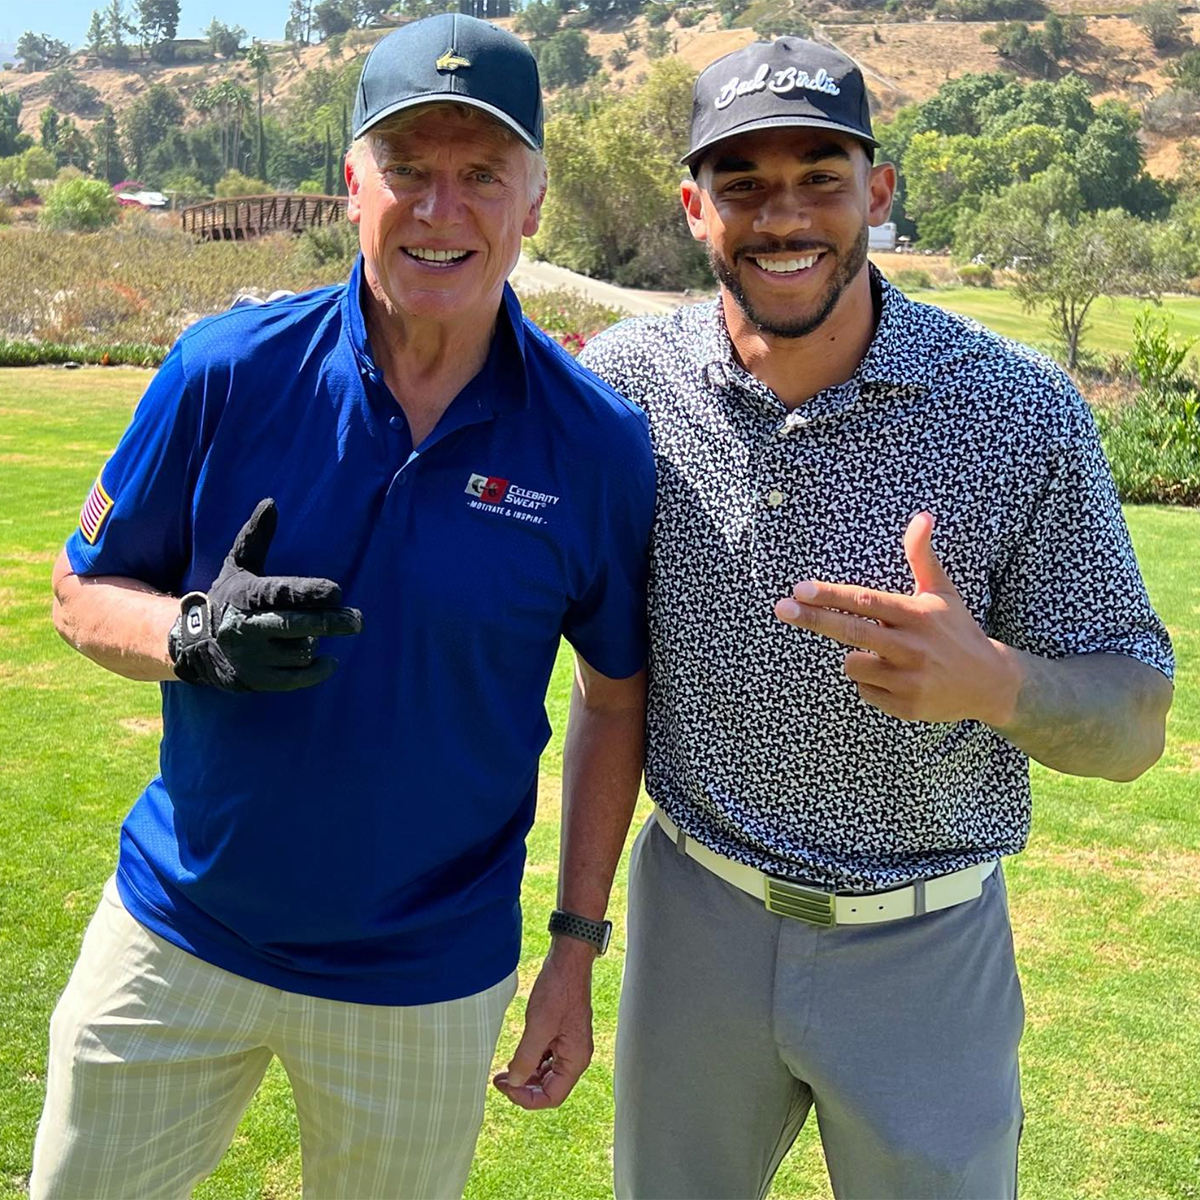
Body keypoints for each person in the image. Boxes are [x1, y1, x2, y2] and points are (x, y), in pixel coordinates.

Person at [33, 15, 654, 1200]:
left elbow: (615, 696)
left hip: (423, 972)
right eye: (407, 171)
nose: (439, 209)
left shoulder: (597, 444)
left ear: (533, 202)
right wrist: (189, 636)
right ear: (350, 184)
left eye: (481, 175)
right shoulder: (227, 370)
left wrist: (575, 946)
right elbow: (80, 590)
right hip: (178, 932)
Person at [579, 37, 1174, 1200]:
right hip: (695, 921)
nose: (783, 214)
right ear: (695, 208)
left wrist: (997, 684)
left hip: (926, 948)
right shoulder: (629, 387)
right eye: (743, 183)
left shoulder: (1017, 410)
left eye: (820, 177)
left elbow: (1138, 718)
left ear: (880, 193)